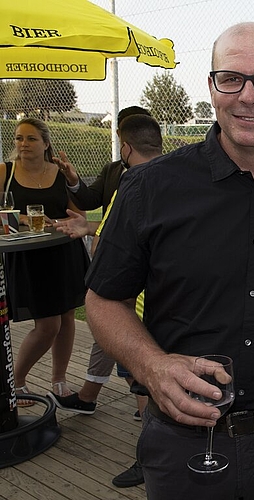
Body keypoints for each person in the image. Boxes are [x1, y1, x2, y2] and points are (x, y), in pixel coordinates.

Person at [84, 22, 254, 500]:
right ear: (211, 88)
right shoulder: (149, 188)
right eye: (231, 79)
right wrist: (152, 366)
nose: (248, 96)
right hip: (181, 446)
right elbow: (103, 299)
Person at [50, 113, 163, 489]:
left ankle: (148, 462)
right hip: (166, 301)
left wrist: (87, 228)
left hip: (136, 304)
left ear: (125, 146)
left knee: (142, 382)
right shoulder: (181, 175)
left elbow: (112, 239)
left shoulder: (132, 181)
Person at [0, 118, 90, 406]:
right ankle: (17, 380)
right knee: (48, 325)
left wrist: (57, 223)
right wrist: (23, 218)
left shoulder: (60, 172)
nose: (23, 144)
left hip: (63, 252)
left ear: (46, 143)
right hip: (28, 257)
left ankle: (59, 380)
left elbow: (80, 217)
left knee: (66, 318)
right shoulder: (5, 171)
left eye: (30, 139)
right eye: (18, 138)